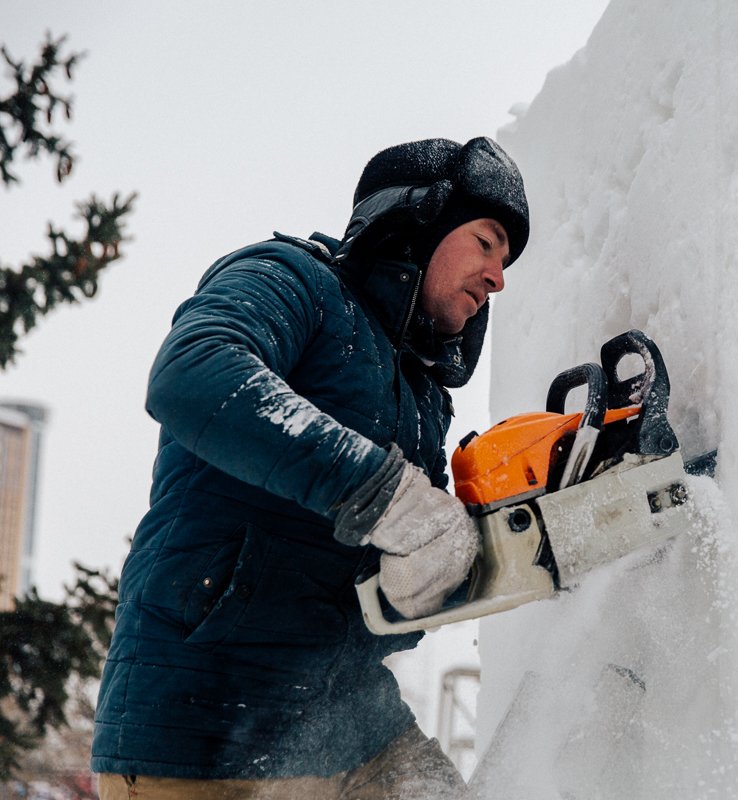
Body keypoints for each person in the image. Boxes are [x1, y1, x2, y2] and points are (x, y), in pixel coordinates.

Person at [91, 137, 529, 799]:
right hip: (202, 735)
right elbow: (195, 374)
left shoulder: (422, 395)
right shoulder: (293, 280)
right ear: (417, 220)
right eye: (487, 242)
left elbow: (390, 570)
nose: (498, 276)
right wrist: (385, 496)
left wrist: (420, 582)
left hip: (353, 729)